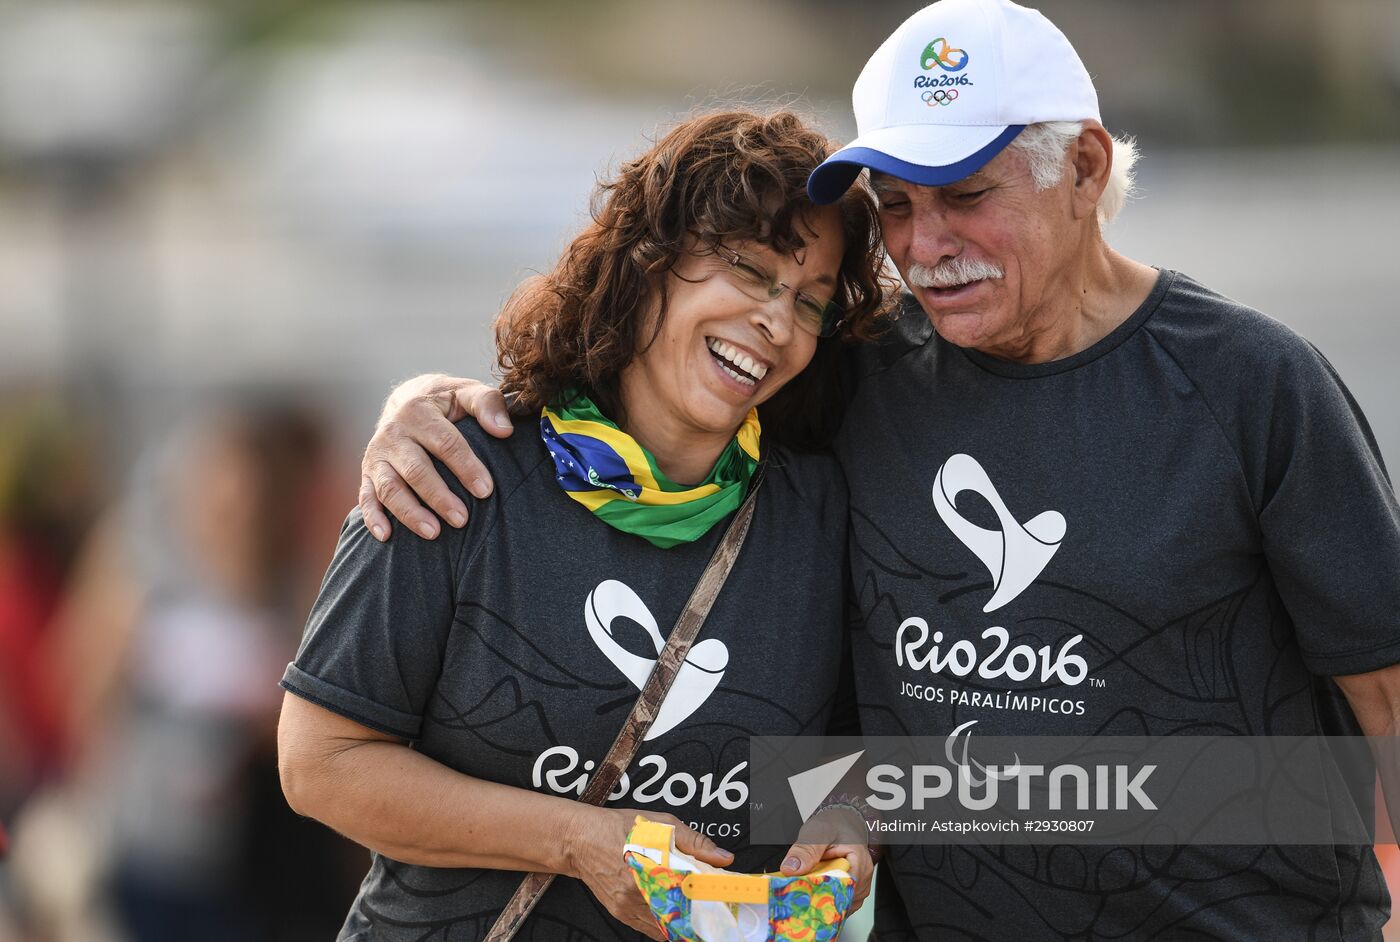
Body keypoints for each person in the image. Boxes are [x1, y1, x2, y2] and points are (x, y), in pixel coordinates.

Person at [354, 0, 1400, 938]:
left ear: (1083, 168)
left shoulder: (1252, 387)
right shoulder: (856, 373)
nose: (925, 244)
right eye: (895, 206)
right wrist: (432, 403)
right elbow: (671, 376)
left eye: (965, 195)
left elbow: (1383, 698)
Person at [277, 109, 894, 939]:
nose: (777, 323)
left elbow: (862, 751)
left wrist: (849, 822)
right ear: (649, 261)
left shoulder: (822, 517)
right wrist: (577, 841)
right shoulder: (455, 473)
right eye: (749, 270)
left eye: (810, 302)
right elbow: (321, 764)